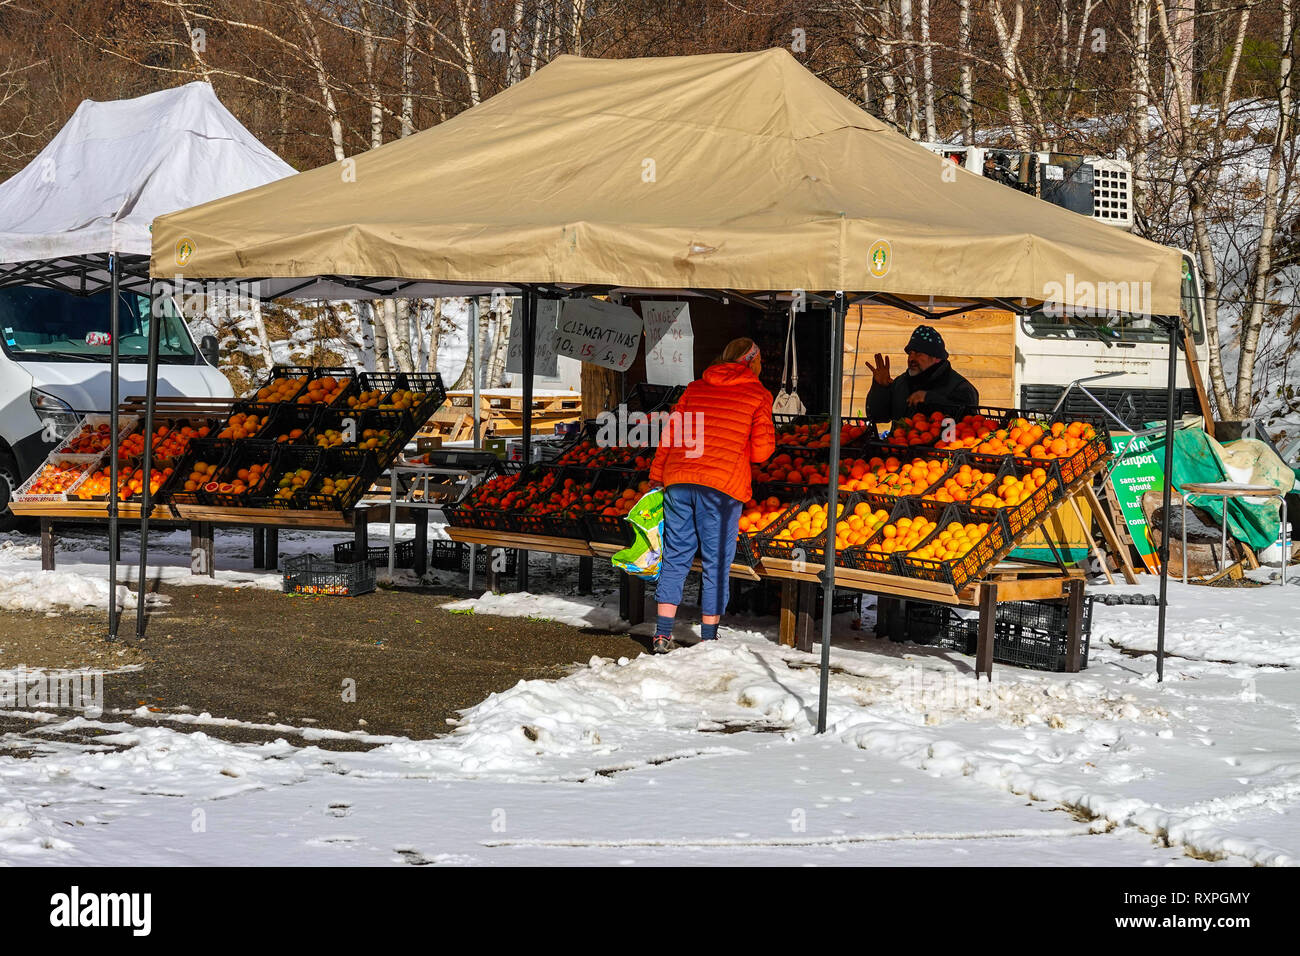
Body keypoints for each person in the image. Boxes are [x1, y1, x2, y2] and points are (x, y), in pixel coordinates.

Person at [647, 337, 775, 654]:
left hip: (678, 479)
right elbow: (761, 453)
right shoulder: (758, 394)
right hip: (721, 486)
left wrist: (656, 476)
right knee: (716, 562)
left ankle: (662, 634)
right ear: (752, 360)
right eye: (761, 359)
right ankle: (708, 637)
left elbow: (670, 434)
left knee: (675, 557)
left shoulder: (695, 388)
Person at [865, 324, 979, 422]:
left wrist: (929, 399)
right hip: (898, 446)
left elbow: (969, 423)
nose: (911, 358)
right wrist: (880, 388)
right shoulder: (900, 383)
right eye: (910, 353)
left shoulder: (961, 387)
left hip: (941, 447)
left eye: (918, 353)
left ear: (936, 358)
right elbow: (877, 417)